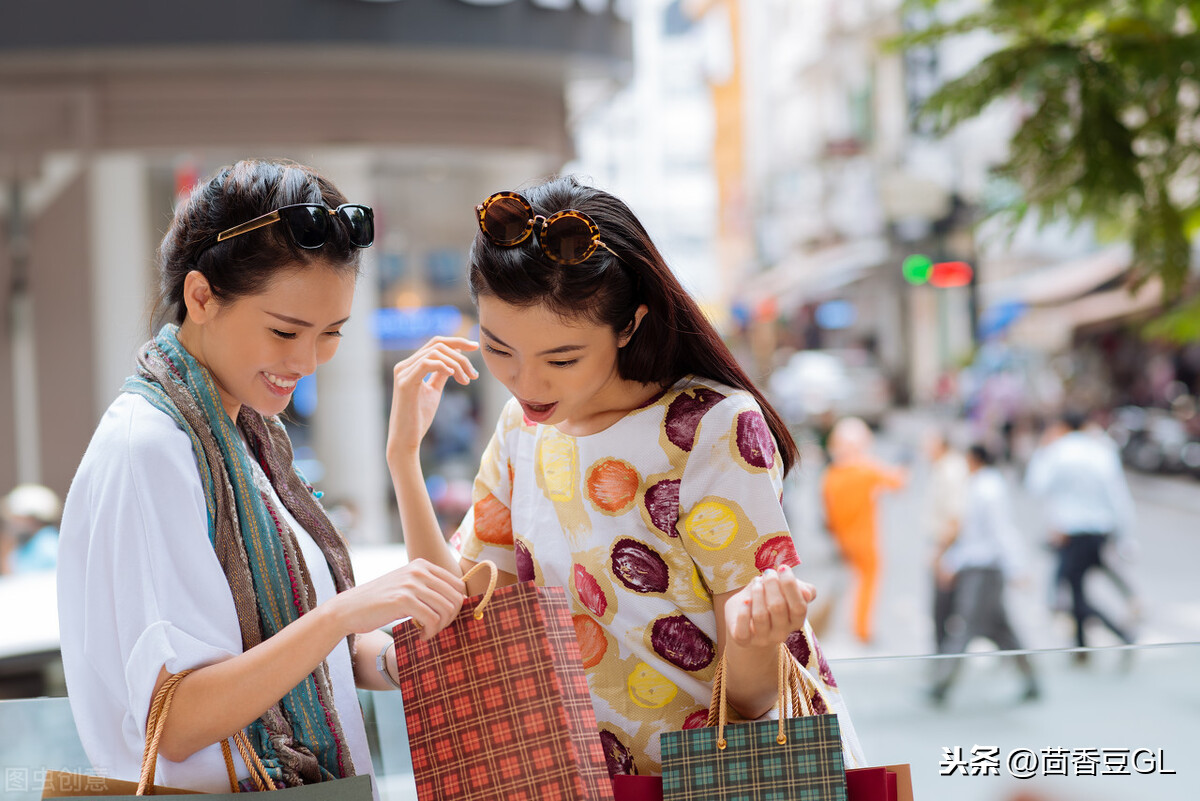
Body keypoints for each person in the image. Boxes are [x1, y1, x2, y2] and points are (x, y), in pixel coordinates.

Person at [385, 177, 865, 779]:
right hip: (585, 781)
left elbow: (751, 699)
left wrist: (758, 633)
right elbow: (464, 620)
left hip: (721, 779)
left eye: (562, 359)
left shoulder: (708, 428)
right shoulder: (521, 430)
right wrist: (404, 458)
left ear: (630, 325)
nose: (527, 384)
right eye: (498, 348)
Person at [57, 160, 466, 795]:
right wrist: (340, 616)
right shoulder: (150, 447)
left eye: (330, 333)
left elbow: (297, 658)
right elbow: (177, 719)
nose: (304, 360)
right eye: (283, 330)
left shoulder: (246, 439)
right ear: (201, 296)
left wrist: (390, 656)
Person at [928, 444, 1039, 706]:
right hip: (980, 568)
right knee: (1001, 630)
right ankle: (1031, 679)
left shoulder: (987, 489)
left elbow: (999, 532)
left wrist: (1017, 567)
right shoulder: (982, 486)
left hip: (985, 570)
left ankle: (941, 685)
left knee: (966, 627)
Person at [1025, 409, 1136, 654]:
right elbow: (1118, 497)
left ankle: (1120, 634)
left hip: (1071, 534)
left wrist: (1043, 448)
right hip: (1098, 532)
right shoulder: (1100, 451)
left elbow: (1036, 486)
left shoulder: (1057, 451)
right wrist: (1125, 536)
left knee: (1072, 592)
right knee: (1075, 590)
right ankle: (1081, 646)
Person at [820, 417, 906, 645]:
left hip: (842, 539)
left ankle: (855, 625)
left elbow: (827, 515)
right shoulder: (865, 469)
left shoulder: (830, 476)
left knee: (854, 580)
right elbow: (898, 482)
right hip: (865, 539)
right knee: (868, 580)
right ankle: (862, 628)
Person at [922, 430, 969, 652]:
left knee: (944, 606)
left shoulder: (950, 471)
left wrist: (940, 552)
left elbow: (955, 516)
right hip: (947, 542)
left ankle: (945, 655)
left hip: (950, 545)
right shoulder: (944, 467)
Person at [0, 483, 61, 574]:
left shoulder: (47, 543)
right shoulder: (24, 544)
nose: (12, 523)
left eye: (17, 518)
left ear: (32, 519)